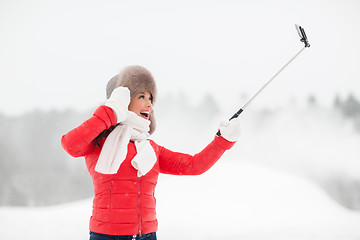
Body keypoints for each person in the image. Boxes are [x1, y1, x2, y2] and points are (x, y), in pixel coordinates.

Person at [61, 65, 241, 240]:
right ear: (123, 100)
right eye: (141, 96)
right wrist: (111, 111)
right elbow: (70, 144)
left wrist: (223, 141)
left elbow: (193, 165)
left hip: (147, 235)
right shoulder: (98, 143)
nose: (149, 105)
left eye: (150, 98)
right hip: (106, 236)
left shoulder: (151, 149)